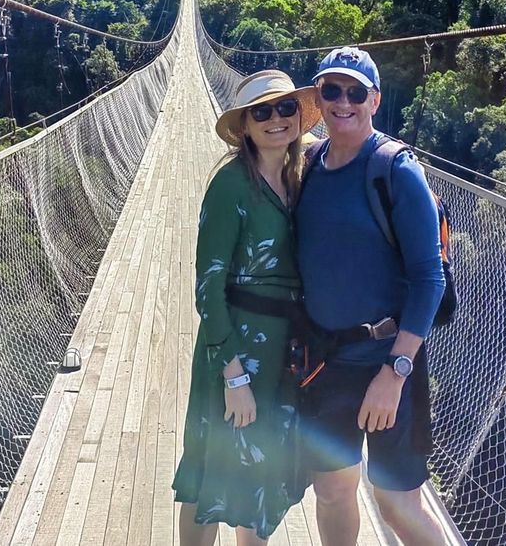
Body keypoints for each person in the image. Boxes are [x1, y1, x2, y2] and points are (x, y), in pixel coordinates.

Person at [295, 47, 447, 545]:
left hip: (386, 362)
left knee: (397, 503)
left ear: (374, 100)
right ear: (318, 97)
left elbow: (429, 278)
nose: (343, 102)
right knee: (334, 489)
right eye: (331, 90)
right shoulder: (309, 163)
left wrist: (395, 373)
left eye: (355, 92)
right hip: (327, 363)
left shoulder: (396, 170)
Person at [174, 70, 322, 545]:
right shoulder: (231, 186)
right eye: (261, 112)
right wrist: (234, 377)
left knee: (256, 476)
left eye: (285, 108)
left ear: (299, 115)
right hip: (234, 351)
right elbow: (207, 290)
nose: (275, 119)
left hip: (281, 353)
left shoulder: (302, 178)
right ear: (244, 126)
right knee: (211, 473)